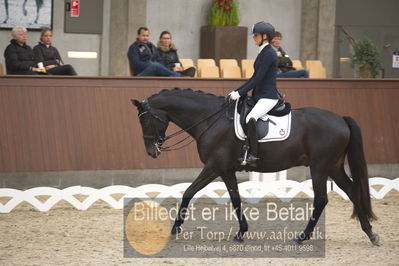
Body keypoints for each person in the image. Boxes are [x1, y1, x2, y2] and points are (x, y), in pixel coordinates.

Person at [228, 21, 280, 167]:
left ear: (265, 36)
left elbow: (258, 78)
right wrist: (238, 91)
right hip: (259, 95)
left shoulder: (269, 53)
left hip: (268, 97)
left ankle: (254, 155)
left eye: (256, 35)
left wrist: (239, 92)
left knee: (251, 117)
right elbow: (254, 77)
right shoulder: (263, 51)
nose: (253, 38)